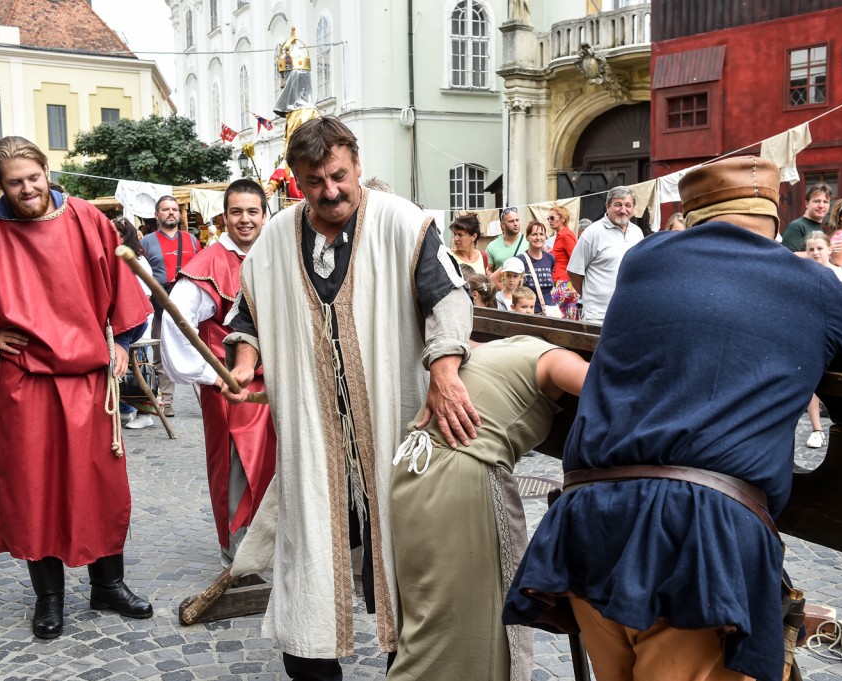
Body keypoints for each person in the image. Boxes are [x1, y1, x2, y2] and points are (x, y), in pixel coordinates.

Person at [503, 157, 842, 681]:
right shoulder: (811, 281)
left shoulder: (643, 259)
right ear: (773, 220)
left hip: (588, 516)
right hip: (699, 535)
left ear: (693, 216)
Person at [219, 116, 478, 678]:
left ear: (357, 165)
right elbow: (247, 315)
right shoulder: (274, 239)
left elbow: (449, 300)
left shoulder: (403, 223)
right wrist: (242, 364)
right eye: (315, 182)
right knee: (310, 551)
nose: (330, 191)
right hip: (311, 432)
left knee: (405, 556)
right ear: (297, 181)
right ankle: (312, 665)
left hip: (393, 425)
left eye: (338, 176)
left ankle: (407, 668)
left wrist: (444, 368)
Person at [0, 137, 155, 640]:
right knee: (34, 487)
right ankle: (49, 598)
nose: (28, 189)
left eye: (34, 178)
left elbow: (122, 288)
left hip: (88, 380)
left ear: (46, 170)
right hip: (26, 381)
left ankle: (108, 585)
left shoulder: (86, 219)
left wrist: (122, 341)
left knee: (100, 483)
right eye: (15, 183)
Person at [389, 336, 589, 681]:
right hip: (461, 478)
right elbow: (613, 387)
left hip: (413, 471)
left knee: (430, 616)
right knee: (480, 624)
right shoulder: (557, 360)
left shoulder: (498, 346)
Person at [161, 179, 276, 566]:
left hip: (276, 384)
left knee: (278, 465)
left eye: (252, 211)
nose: (245, 220)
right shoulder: (211, 262)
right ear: (224, 217)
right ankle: (240, 557)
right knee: (237, 468)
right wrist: (210, 375)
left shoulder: (275, 255)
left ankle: (276, 548)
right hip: (232, 388)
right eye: (236, 212)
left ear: (265, 215)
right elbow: (176, 322)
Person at [140, 196, 201, 417]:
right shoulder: (147, 243)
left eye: (174, 209)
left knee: (198, 350)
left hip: (190, 306)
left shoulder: (191, 240)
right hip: (160, 305)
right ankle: (166, 401)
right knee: (161, 354)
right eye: (166, 209)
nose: (171, 213)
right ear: (157, 215)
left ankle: (207, 400)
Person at [802, 231, 842, 449]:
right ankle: (817, 429)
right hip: (812, 330)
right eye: (811, 249)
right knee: (813, 381)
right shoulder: (803, 273)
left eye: (819, 248)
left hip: (837, 332)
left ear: (829, 249)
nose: (816, 253)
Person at [567, 186, 644, 325]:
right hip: (598, 315)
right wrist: (592, 298)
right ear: (608, 206)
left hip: (629, 311)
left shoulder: (637, 233)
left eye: (628, 205)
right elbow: (574, 272)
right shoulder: (592, 233)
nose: (623, 210)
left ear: (633, 209)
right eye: (618, 205)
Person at [113, 217, 157, 430]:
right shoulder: (112, 258)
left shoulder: (136, 261)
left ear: (124, 236)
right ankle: (125, 409)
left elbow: (143, 295)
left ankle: (144, 412)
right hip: (121, 322)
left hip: (137, 320)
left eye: (117, 234)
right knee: (123, 367)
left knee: (140, 368)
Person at [780, 183, 832, 255]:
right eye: (817, 201)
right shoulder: (796, 226)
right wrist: (822, 251)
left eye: (825, 202)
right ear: (807, 203)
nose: (821, 206)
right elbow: (788, 255)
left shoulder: (818, 227)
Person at [517, 221, 557, 315]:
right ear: (527, 237)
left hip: (549, 312)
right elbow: (498, 278)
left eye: (541, 234)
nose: (538, 238)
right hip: (530, 313)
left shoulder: (550, 258)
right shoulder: (520, 260)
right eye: (534, 234)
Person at [548, 205, 579, 317]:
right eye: (548, 218)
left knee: (557, 315)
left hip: (566, 283)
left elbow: (576, 259)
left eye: (552, 218)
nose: (549, 221)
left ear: (562, 219)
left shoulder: (566, 235)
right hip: (561, 282)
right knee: (562, 316)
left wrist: (574, 285)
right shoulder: (561, 235)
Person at [486, 207, 527, 285]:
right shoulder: (492, 246)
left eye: (517, 220)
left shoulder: (528, 242)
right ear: (503, 225)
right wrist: (498, 286)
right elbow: (488, 270)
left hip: (523, 289)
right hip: (501, 289)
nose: (515, 224)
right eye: (511, 221)